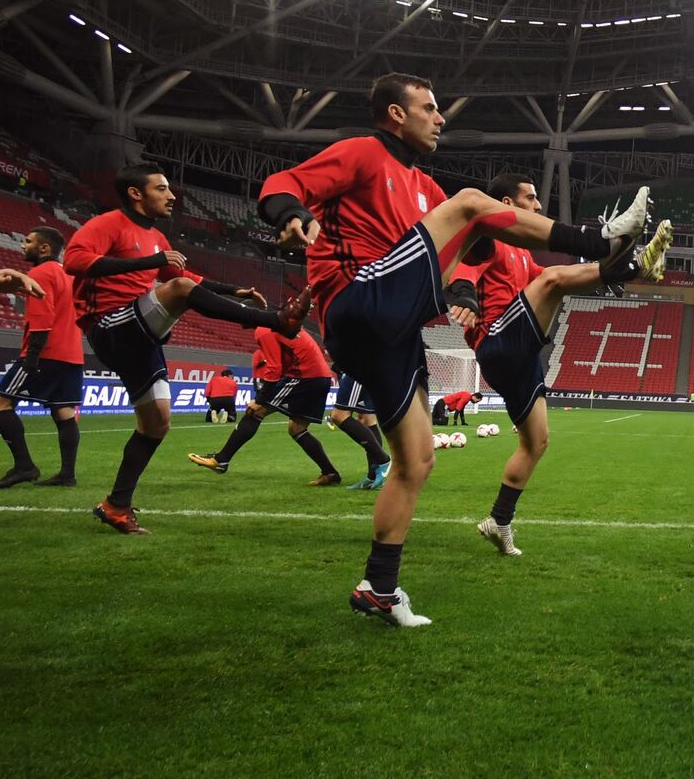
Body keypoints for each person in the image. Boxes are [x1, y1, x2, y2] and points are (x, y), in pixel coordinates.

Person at [258, 72, 658, 627]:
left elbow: (469, 247)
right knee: (471, 206)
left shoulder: (425, 189)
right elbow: (282, 182)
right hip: (358, 297)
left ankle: (380, 588)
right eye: (429, 107)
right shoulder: (364, 153)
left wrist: (463, 288)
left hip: (395, 331)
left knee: (417, 462)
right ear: (396, 114)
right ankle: (604, 237)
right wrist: (290, 214)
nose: (440, 117)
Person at [64, 163, 311, 535]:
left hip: (139, 337)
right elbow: (74, 260)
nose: (171, 195)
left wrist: (232, 290)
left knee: (157, 423)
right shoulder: (109, 223)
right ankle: (277, 320)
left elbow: (189, 278)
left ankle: (116, 505)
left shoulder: (156, 238)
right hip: (109, 323)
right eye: (161, 189)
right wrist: (152, 262)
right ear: (136, 193)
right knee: (178, 289)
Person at [450, 173, 672, 558]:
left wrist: (633, 271)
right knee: (553, 279)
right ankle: (614, 236)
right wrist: (465, 298)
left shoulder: (524, 254)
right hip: (497, 341)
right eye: (530, 198)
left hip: (521, 356)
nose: (538, 206)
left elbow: (577, 277)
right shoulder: (488, 241)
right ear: (506, 203)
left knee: (536, 442)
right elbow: (464, 272)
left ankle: (499, 521)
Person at [188, 325, 341, 484]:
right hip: (320, 377)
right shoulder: (277, 325)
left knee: (255, 411)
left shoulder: (264, 330)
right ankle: (330, 473)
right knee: (297, 429)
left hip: (304, 376)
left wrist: (260, 399)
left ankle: (221, 460)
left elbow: (275, 367)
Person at [0, 228, 83, 488]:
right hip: (72, 354)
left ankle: (25, 466)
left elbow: (42, 318)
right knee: (63, 411)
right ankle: (67, 474)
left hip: (45, 352)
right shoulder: (69, 275)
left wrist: (33, 356)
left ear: (44, 248)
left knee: (0, 404)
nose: (23, 245)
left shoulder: (39, 274)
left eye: (28, 241)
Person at [329, 372, 392, 490]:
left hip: (358, 367)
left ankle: (383, 460)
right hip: (369, 367)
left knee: (338, 415)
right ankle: (372, 476)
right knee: (367, 419)